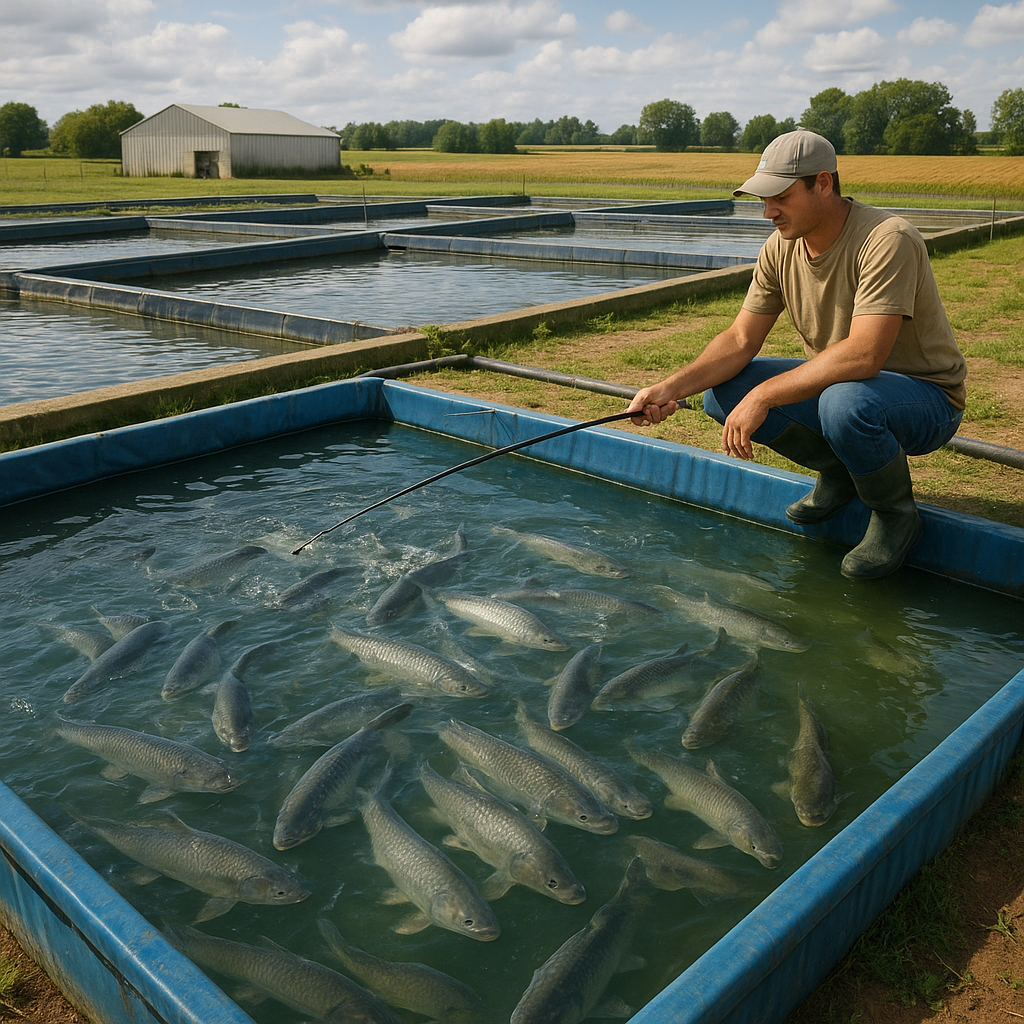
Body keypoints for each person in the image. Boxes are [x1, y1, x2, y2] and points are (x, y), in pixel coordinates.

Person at [627, 129, 966, 580]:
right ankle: (843, 475)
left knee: (844, 402)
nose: (768, 212)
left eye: (780, 198)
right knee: (722, 393)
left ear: (823, 184)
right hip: (845, 388)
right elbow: (741, 340)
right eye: (762, 199)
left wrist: (765, 396)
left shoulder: (887, 239)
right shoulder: (780, 247)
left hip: (925, 398)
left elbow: (865, 355)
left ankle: (894, 513)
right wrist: (667, 388)